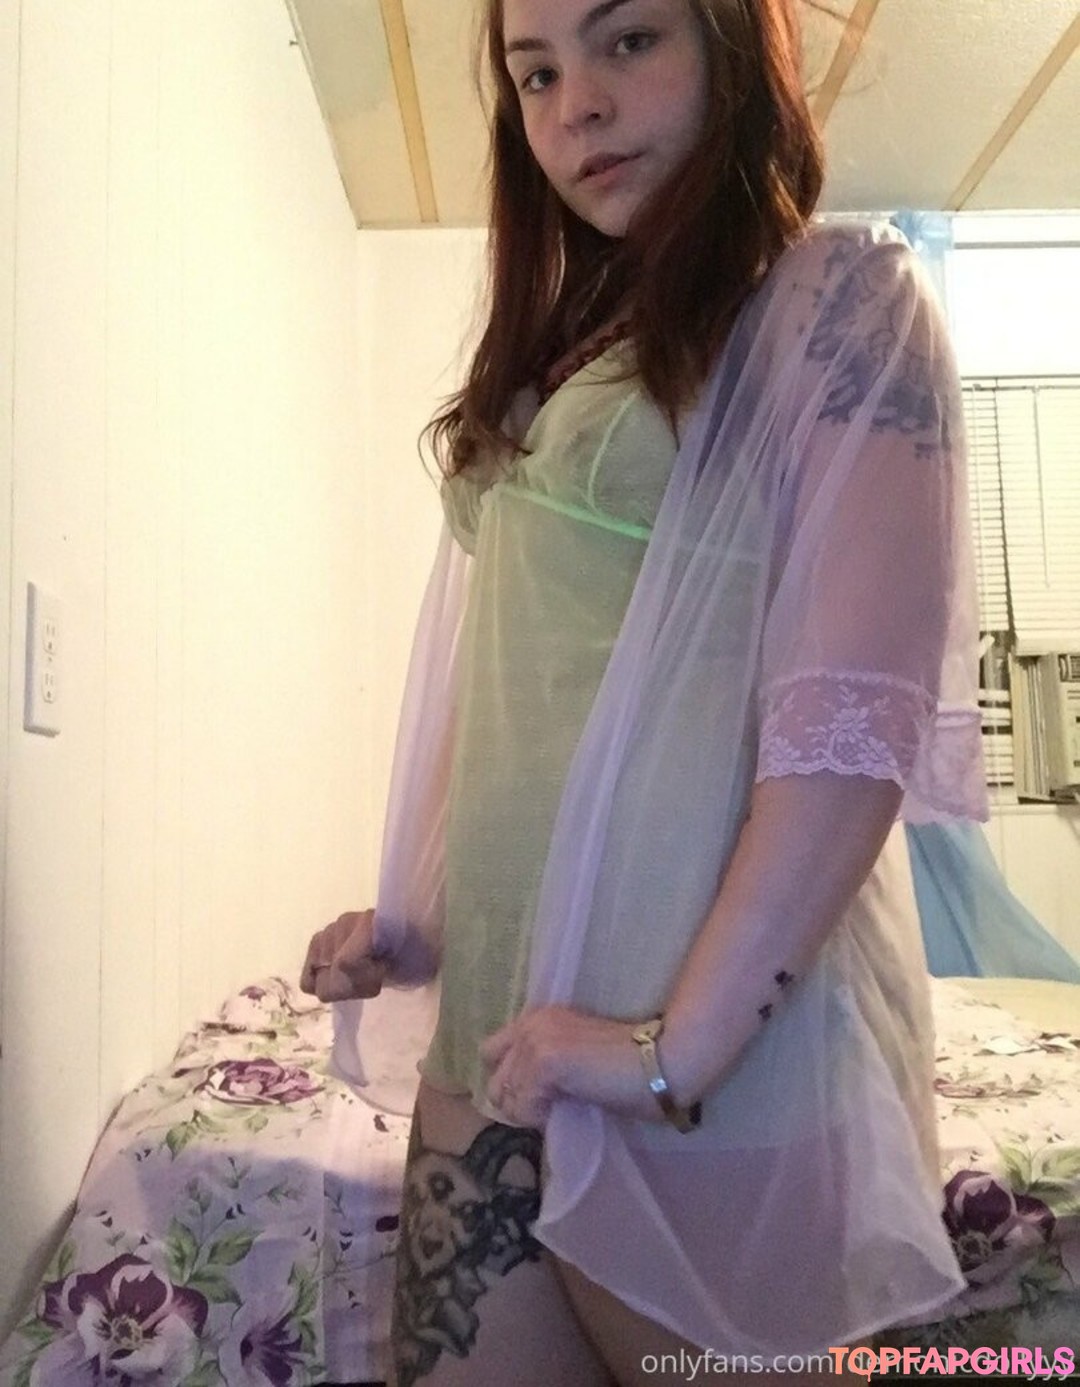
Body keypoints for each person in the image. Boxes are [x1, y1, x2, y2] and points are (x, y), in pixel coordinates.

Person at [301, 1, 988, 1383]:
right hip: (506, 1029)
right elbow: (518, 683)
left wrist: (668, 1052)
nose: (577, 107)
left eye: (628, 42)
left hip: (715, 1052)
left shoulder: (840, 300)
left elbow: (851, 724)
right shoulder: (560, 342)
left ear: (734, 47)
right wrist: (418, 920)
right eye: (535, 72)